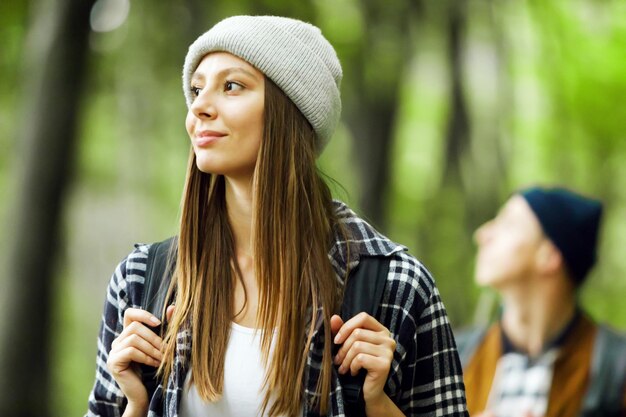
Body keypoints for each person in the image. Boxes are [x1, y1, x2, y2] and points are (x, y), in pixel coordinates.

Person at [85, 15, 468, 417]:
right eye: (197, 89)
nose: (199, 106)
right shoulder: (140, 282)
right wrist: (135, 404)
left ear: (290, 110)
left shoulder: (396, 287)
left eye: (231, 86)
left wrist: (378, 404)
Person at [456, 186, 626, 417]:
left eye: (508, 224)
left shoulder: (616, 366)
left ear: (549, 255)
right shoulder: (456, 355)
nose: (483, 234)